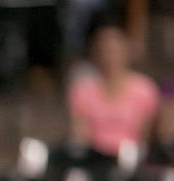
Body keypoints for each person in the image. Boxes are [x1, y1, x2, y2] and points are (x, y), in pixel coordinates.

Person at [67, 19, 159, 159]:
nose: (109, 56)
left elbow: (145, 137)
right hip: (93, 160)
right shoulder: (82, 89)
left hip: (132, 160)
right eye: (104, 50)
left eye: (114, 50)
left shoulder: (145, 89)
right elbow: (79, 136)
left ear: (126, 51)